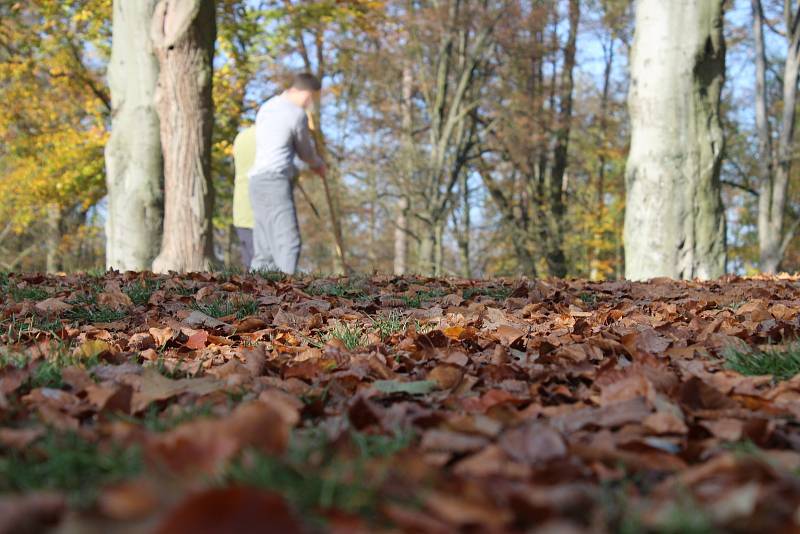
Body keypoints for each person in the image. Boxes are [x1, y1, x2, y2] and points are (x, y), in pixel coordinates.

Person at [248, 72, 326, 273]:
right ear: (308, 94)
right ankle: (287, 297)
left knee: (264, 247)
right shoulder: (295, 113)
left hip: (256, 180)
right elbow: (305, 153)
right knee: (288, 242)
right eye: (313, 98)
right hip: (275, 180)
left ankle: (257, 294)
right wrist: (318, 164)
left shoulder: (267, 107)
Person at [232, 125, 256, 269]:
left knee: (249, 261)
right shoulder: (268, 136)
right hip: (259, 210)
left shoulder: (241, 137)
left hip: (240, 208)